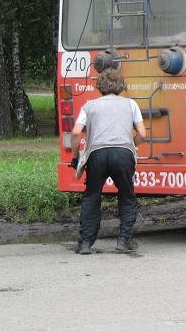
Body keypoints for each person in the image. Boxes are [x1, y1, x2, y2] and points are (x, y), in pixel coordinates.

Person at [70, 68, 146, 254]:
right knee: (127, 195)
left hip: (97, 154)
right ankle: (123, 240)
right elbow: (142, 134)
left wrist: (75, 156)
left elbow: (75, 132)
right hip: (123, 154)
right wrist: (131, 144)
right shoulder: (131, 104)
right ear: (120, 85)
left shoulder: (89, 106)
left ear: (100, 87)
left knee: (92, 195)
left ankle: (86, 243)